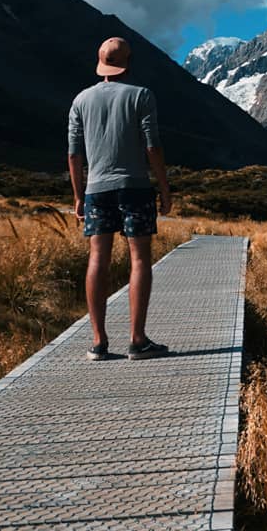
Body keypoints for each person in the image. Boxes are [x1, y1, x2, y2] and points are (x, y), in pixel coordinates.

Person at [68, 36, 172, 360]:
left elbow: (74, 154)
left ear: (101, 63)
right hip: (136, 187)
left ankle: (99, 342)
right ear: (128, 62)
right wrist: (165, 188)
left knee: (97, 258)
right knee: (139, 259)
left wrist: (77, 196)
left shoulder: (80, 100)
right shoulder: (142, 96)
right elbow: (152, 146)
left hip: (96, 190)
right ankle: (137, 340)